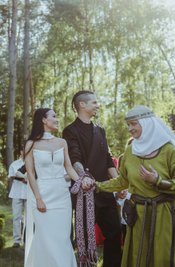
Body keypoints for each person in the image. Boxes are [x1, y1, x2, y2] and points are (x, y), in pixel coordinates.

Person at [91, 105, 175, 266]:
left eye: (133, 124)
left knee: (164, 257)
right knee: (139, 256)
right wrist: (97, 186)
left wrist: (157, 181)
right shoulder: (130, 152)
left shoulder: (168, 150)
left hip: (164, 214)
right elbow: (122, 181)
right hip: (138, 215)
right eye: (128, 125)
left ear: (146, 123)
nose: (130, 129)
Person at [24, 108, 91, 267]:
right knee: (45, 238)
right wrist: (38, 198)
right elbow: (31, 173)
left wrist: (81, 181)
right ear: (43, 120)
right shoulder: (31, 144)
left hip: (62, 195)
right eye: (54, 116)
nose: (57, 119)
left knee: (62, 238)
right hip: (43, 195)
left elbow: (68, 167)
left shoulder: (62, 142)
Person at [62, 90, 122, 267]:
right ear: (82, 105)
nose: (98, 105)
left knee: (115, 232)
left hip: (104, 191)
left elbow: (108, 159)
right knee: (87, 239)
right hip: (85, 193)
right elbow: (75, 159)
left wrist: (118, 183)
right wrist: (85, 178)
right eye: (94, 102)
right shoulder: (70, 131)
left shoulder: (100, 130)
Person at [8, 149, 27, 248]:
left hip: (29, 193)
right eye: (24, 150)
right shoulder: (14, 164)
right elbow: (11, 176)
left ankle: (27, 239)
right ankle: (16, 240)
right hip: (16, 192)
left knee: (28, 218)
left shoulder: (32, 163)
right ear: (21, 152)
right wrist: (22, 179)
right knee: (16, 217)